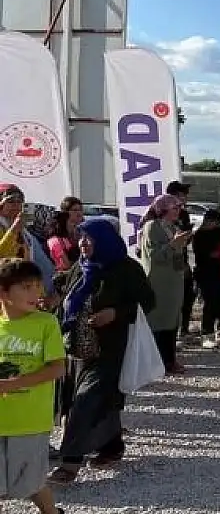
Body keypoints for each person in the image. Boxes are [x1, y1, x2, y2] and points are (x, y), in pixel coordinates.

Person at [49, 218, 155, 484]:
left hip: (108, 349)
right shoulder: (80, 267)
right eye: (81, 237)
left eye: (89, 238)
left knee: (85, 402)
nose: (83, 243)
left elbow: (148, 302)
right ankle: (112, 446)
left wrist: (116, 312)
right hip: (75, 347)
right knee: (93, 400)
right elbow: (68, 297)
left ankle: (69, 463)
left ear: (104, 240)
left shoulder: (126, 268)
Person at [0, 259, 65, 514]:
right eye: (26, 287)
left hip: (30, 421)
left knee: (31, 483)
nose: (36, 293)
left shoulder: (46, 323)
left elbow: (57, 368)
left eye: (37, 286)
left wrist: (12, 383)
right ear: (4, 292)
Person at [138, 195, 189, 373]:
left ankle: (169, 360)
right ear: (164, 209)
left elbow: (175, 254)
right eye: (174, 208)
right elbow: (154, 256)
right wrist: (174, 245)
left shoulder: (173, 227)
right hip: (158, 282)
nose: (178, 211)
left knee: (172, 320)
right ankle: (156, 362)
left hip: (173, 281)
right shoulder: (152, 227)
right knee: (158, 321)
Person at [192, 210, 220, 349]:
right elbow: (208, 254)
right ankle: (206, 334)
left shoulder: (218, 232)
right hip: (205, 273)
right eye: (215, 222)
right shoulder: (199, 235)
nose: (216, 225)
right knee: (209, 304)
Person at [166, 181, 197, 340]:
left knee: (187, 294)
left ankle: (183, 329)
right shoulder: (160, 214)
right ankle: (171, 332)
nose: (185, 198)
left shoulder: (184, 214)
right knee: (171, 298)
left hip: (182, 259)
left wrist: (188, 235)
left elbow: (185, 240)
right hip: (167, 261)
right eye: (182, 195)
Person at [47, 198, 83, 272]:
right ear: (65, 213)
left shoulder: (83, 234)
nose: (79, 213)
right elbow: (66, 266)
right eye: (75, 210)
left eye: (80, 210)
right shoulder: (56, 240)